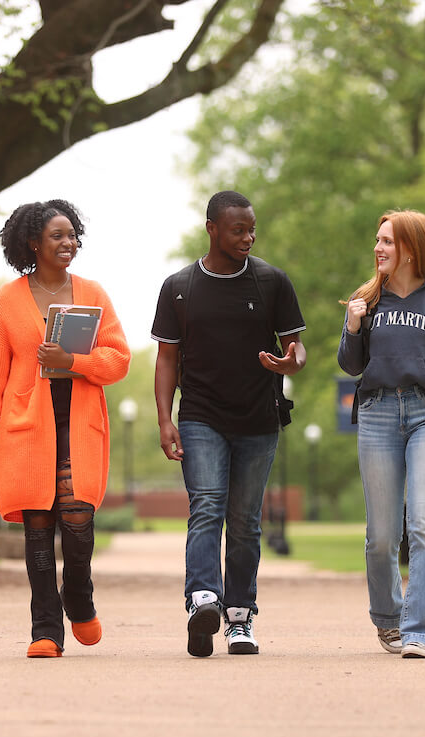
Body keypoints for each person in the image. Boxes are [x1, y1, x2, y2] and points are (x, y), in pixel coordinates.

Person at [0, 199, 131, 658]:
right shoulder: (7, 300)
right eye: (57, 236)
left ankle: (78, 595)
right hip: (25, 428)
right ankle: (45, 630)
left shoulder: (92, 293)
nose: (68, 243)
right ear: (32, 243)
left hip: (79, 424)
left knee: (77, 522)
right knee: (37, 528)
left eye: (72, 235)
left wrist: (72, 362)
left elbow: (118, 359)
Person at [151, 190, 306, 658]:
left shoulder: (272, 282)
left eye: (252, 228)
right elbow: (166, 359)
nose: (248, 236)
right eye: (238, 229)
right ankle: (203, 601)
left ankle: (239, 616)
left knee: (245, 522)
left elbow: (296, 348)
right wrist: (164, 418)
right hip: (200, 416)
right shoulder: (179, 287)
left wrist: (289, 365)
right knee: (208, 505)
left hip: (258, 419)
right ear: (212, 229)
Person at [337, 209, 425, 659]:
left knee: (424, 523)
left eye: (387, 242)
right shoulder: (366, 299)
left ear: (411, 250)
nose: (378, 248)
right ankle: (389, 619)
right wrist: (354, 326)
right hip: (377, 414)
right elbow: (351, 366)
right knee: (381, 535)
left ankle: (421, 632)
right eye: (377, 240)